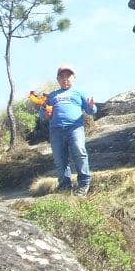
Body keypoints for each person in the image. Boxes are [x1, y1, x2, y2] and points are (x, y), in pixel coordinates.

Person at [40, 64, 97, 196]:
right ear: (58, 79)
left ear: (74, 78)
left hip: (75, 128)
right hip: (56, 131)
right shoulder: (51, 96)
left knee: (79, 151)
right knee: (60, 160)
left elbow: (90, 110)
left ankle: (84, 183)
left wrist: (91, 106)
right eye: (62, 77)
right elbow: (43, 114)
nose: (65, 79)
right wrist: (46, 114)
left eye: (68, 76)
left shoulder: (79, 93)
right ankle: (65, 187)